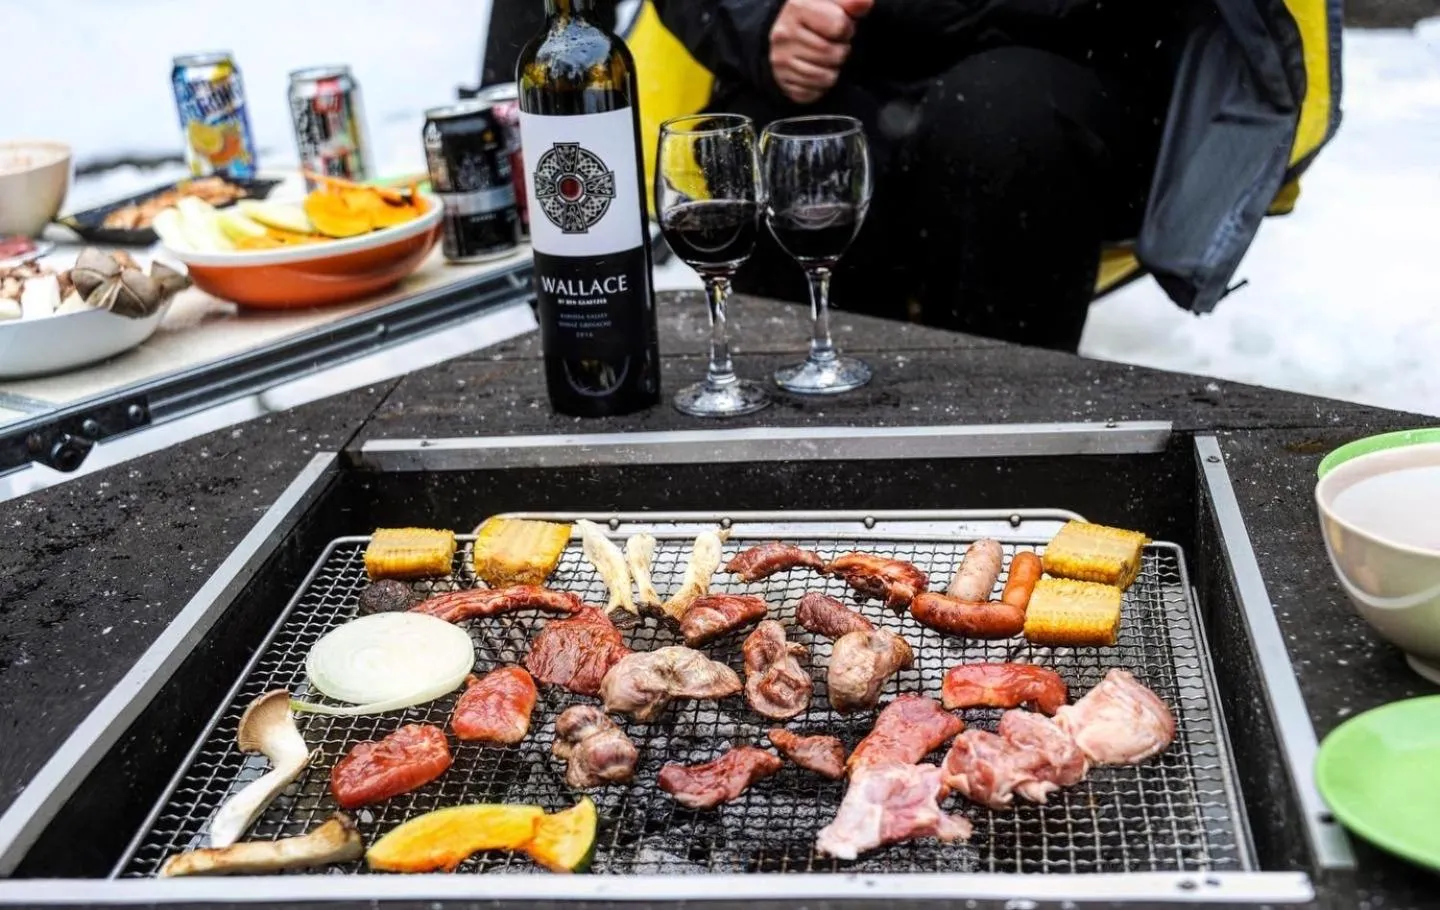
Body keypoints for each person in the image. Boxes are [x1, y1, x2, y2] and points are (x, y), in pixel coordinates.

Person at [651, 0, 1186, 352]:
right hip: (833, 68)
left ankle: (1009, 441)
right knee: (787, 140)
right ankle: (814, 450)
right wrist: (758, 19)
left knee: (1001, 120)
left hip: (1068, 79)